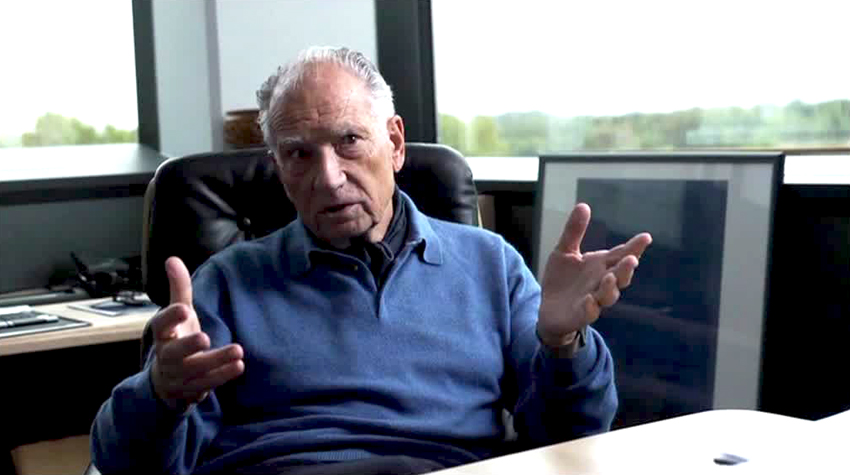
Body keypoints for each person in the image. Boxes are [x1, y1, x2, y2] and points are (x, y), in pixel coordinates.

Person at [91, 47, 652, 475]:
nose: (329, 177)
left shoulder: (491, 266)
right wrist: (159, 397)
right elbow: (124, 465)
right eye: (299, 154)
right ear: (278, 169)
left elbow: (570, 437)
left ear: (396, 143)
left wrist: (563, 345)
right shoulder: (228, 282)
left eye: (349, 142)